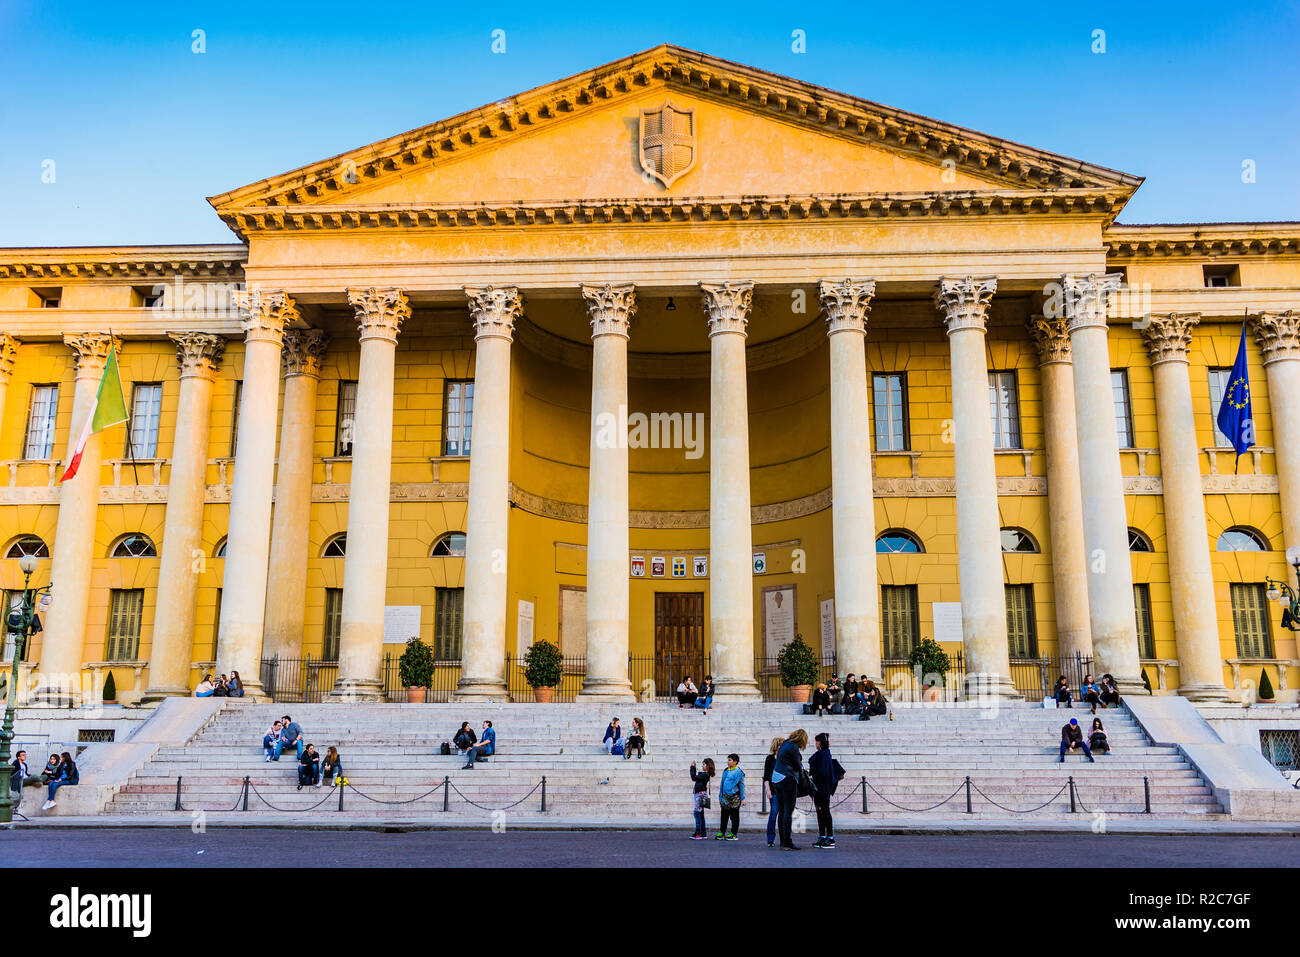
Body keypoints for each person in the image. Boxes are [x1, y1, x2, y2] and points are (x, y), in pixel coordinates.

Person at [770, 729, 808, 850]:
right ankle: (787, 842)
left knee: (782, 811)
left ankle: (783, 842)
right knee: (788, 812)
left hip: (776, 778)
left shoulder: (785, 743)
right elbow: (797, 765)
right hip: (787, 778)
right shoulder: (793, 747)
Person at [808, 732, 845, 849]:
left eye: (816, 741)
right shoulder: (824, 754)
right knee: (820, 812)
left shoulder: (823, 754)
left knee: (824, 812)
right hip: (821, 788)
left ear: (820, 742)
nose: (815, 743)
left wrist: (813, 776)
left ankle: (830, 838)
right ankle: (823, 836)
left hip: (822, 789)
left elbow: (821, 771)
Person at [715, 753, 746, 840]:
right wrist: (720, 796)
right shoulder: (726, 771)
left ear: (735, 762)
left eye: (730, 760)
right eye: (728, 760)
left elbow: (742, 786)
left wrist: (743, 798)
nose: (727, 762)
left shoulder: (739, 772)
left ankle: (733, 833)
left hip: (735, 797)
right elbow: (722, 783)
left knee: (734, 815)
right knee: (724, 815)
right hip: (725, 797)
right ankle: (722, 832)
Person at [762, 737, 783, 847]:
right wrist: (768, 790)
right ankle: (770, 839)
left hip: (784, 791)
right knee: (773, 814)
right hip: (774, 791)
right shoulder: (770, 758)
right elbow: (766, 776)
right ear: (776, 746)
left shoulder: (784, 758)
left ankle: (784, 838)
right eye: (781, 744)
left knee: (784, 815)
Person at [688, 758, 715, 839]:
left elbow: (693, 777)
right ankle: (703, 833)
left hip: (699, 795)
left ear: (707, 766)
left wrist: (692, 767)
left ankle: (698, 834)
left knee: (697, 813)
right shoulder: (705, 774)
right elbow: (696, 777)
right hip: (702, 795)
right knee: (701, 814)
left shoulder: (704, 774)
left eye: (703, 764)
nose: (702, 766)